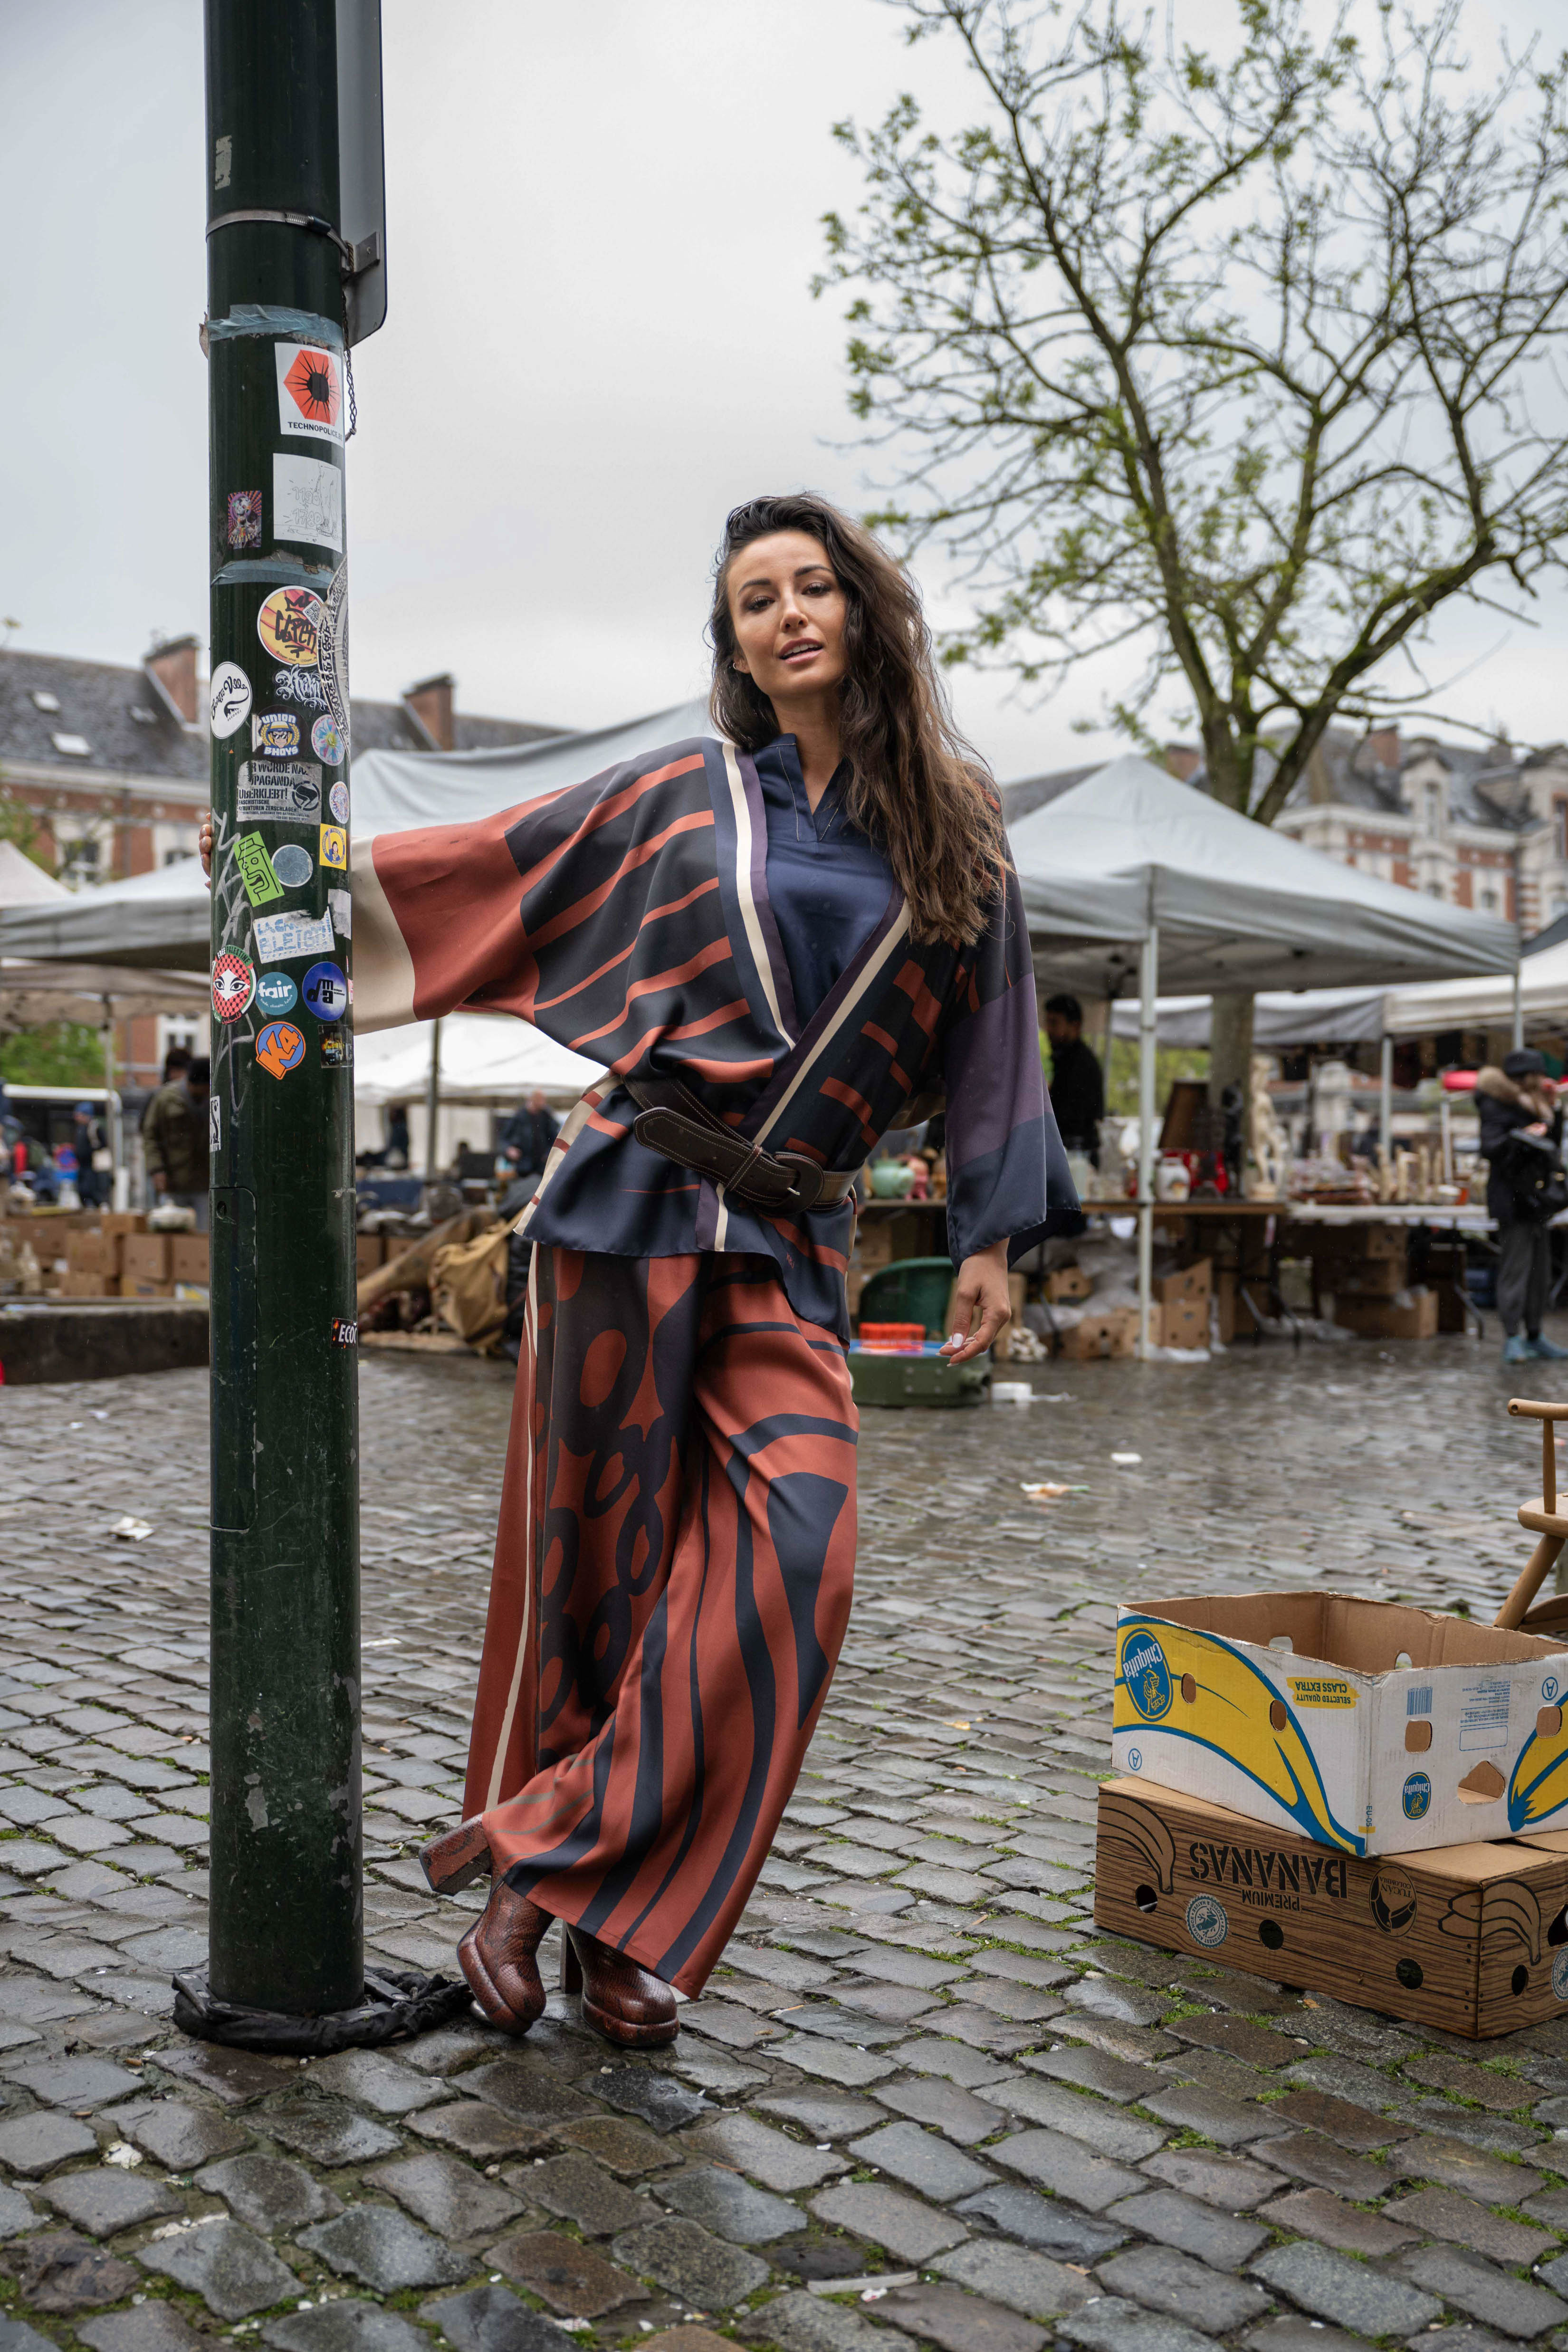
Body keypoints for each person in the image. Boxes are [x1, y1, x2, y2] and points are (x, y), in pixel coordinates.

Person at [200, 491, 1073, 2047]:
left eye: (817, 587)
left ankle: (536, 1870)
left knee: (796, 1566)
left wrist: (990, 1233)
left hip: (793, 1239)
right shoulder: (685, 789)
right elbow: (498, 872)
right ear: (733, 640)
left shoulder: (958, 818)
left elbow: (999, 1030)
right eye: (757, 600)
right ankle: (613, 1937)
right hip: (624, 1211)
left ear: (870, 612)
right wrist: (286, 900)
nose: (791, 614)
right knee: (595, 1588)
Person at [1477, 1048, 1568, 1365]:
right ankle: (1512, 1336)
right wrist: (1521, 1136)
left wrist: (1554, 1111)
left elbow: (1552, 1147)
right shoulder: (1497, 1103)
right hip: (1512, 1200)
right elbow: (1491, 1148)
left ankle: (1535, 1334)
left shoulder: (1536, 1105)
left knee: (1539, 1273)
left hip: (1538, 1200)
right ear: (1528, 1077)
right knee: (1516, 1270)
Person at [142, 1053, 210, 1231]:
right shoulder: (165, 1098)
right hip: (173, 1180)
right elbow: (150, 1136)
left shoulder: (215, 1098)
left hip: (205, 1183)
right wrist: (157, 1170)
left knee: (205, 1237)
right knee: (171, 1234)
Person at [1043, 994, 1105, 1160]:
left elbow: (1071, 1115)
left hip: (1078, 1152)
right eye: (1048, 1023)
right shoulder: (1065, 1059)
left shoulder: (1080, 1063)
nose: (1049, 1030)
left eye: (1055, 1023)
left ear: (1075, 1026)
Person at [498, 1090, 559, 1187]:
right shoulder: (519, 1117)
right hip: (523, 1168)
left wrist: (549, 1154)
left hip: (542, 1168)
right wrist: (509, 1150)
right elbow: (503, 1139)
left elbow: (555, 1139)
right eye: (539, 1100)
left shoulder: (547, 1117)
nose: (543, 1103)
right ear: (532, 1100)